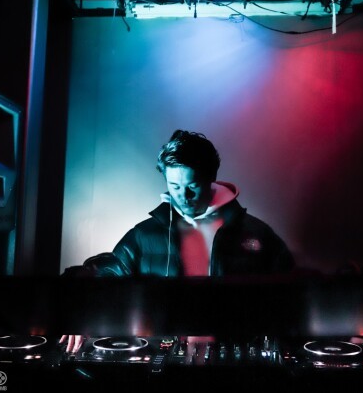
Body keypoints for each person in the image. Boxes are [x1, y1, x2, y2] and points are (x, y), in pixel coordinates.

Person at [61, 129, 295, 352]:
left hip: (236, 364)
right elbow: (106, 277)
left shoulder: (257, 234)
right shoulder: (143, 235)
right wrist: (81, 311)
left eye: (192, 186)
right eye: (174, 186)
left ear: (211, 178)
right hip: (163, 364)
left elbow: (290, 297)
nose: (183, 196)